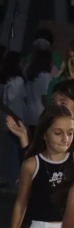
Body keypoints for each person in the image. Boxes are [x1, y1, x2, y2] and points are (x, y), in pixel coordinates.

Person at [0, 51, 27, 187]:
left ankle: (6, 177)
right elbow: (13, 99)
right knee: (14, 150)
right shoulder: (18, 80)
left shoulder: (5, 79)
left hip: (6, 118)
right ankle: (12, 179)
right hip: (15, 118)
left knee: (7, 149)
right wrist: (17, 117)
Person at [24, 49, 54, 133]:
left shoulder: (31, 75)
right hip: (39, 115)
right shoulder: (45, 76)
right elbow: (45, 98)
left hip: (28, 114)